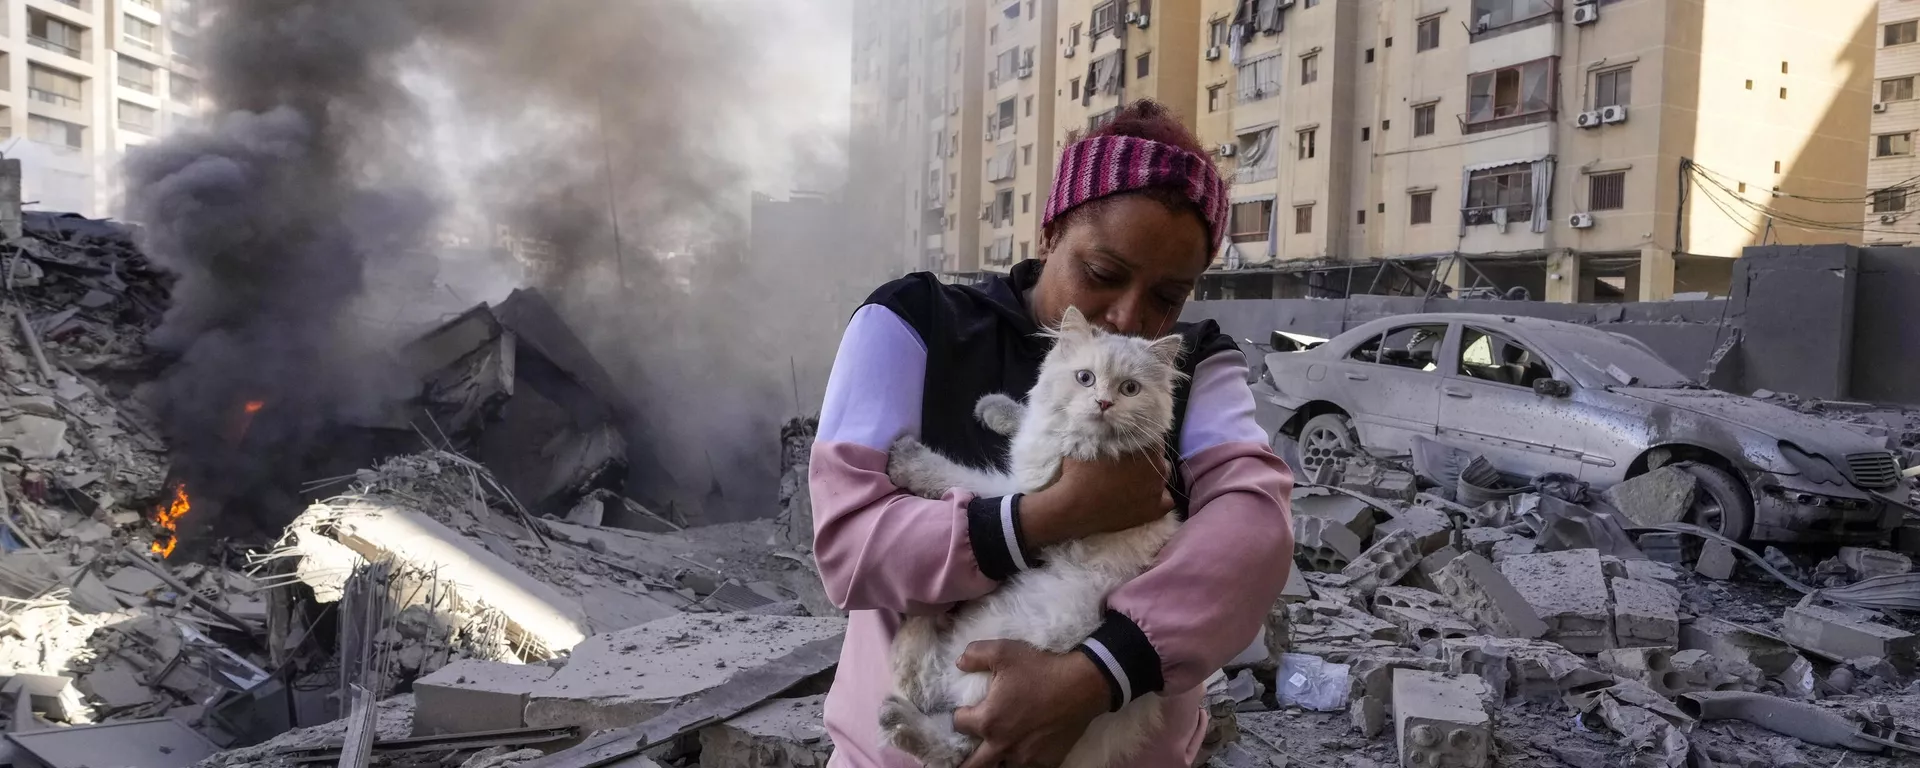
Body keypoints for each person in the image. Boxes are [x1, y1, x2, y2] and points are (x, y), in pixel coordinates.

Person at [810, 99, 1295, 768]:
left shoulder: (1191, 365)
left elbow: (1255, 531)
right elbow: (849, 548)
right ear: (1050, 234)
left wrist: (1096, 675)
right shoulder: (916, 322)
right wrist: (1047, 515)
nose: (1129, 316)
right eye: (1102, 274)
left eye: (1167, 297)